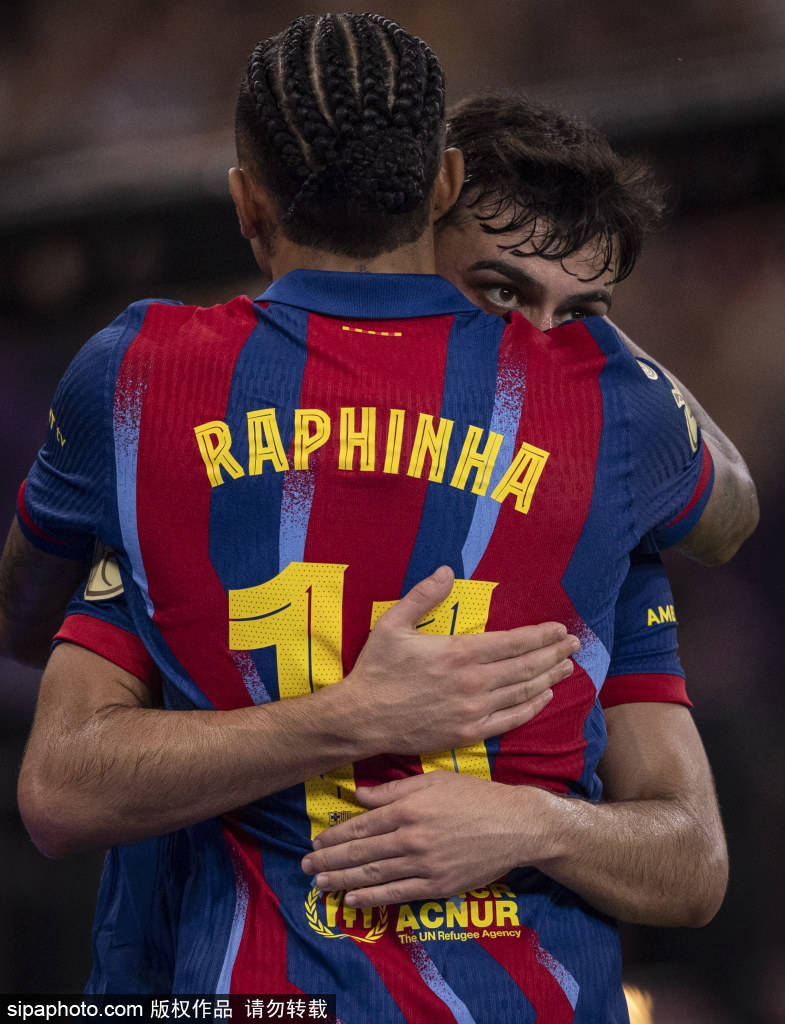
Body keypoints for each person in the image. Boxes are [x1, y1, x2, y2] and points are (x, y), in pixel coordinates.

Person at [8, 14, 745, 1020]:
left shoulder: (143, 387)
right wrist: (359, 717)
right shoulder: (610, 418)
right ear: (441, 187)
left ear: (244, 201)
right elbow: (730, 508)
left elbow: (26, 639)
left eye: (578, 311)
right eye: (506, 288)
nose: (543, 326)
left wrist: (527, 819)